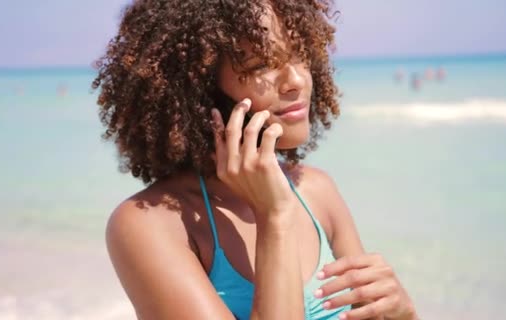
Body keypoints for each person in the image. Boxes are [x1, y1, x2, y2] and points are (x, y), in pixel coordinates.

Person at [92, 0, 418, 319]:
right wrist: (274, 216)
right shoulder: (147, 224)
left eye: (300, 55)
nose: (296, 81)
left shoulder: (317, 191)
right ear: (198, 89)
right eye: (261, 65)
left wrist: (404, 314)